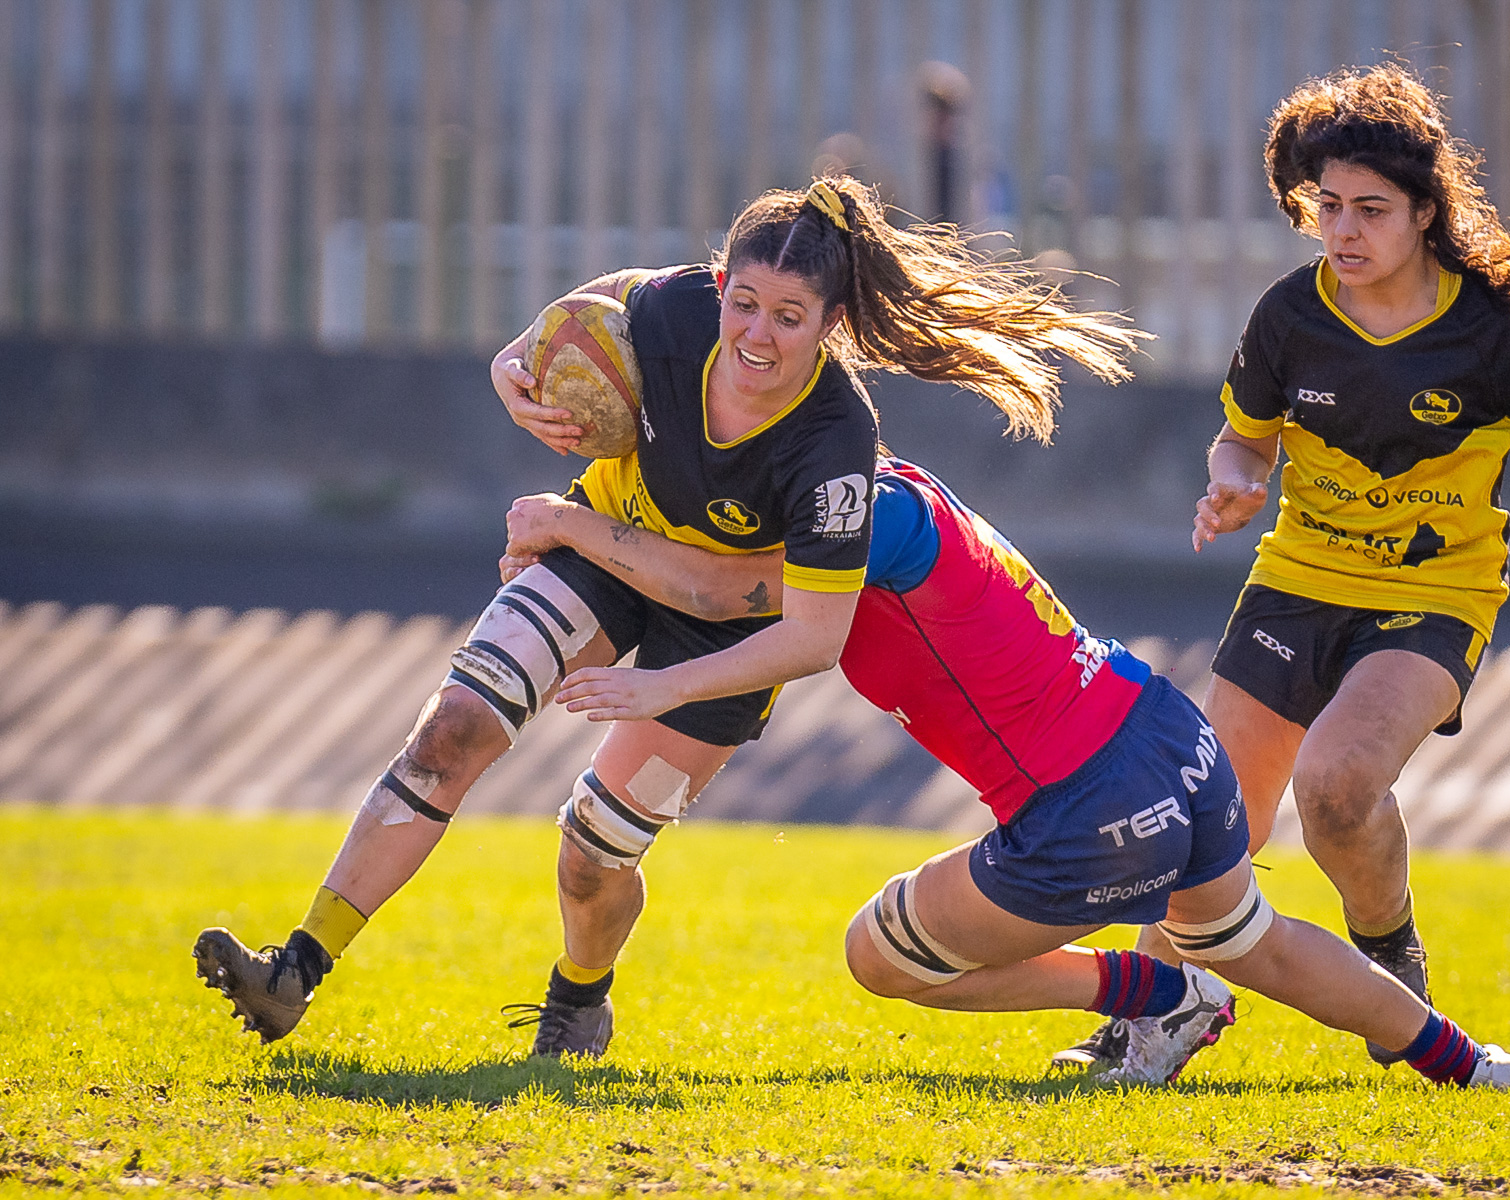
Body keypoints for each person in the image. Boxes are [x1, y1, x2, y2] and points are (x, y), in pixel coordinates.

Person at [191, 177, 1143, 1057]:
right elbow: (582, 312)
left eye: (789, 317)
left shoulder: (837, 446)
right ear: (718, 284)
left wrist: (651, 670)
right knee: (452, 731)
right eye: (744, 305)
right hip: (605, 540)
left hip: (726, 632)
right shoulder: (676, 305)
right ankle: (296, 970)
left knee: (590, 852)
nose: (757, 337)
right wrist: (511, 369)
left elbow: (798, 631)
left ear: (832, 323)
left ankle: (577, 999)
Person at [503, 456, 1510, 1089]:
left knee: (880, 956)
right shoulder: (895, 486)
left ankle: (1156, 995)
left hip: (1086, 802)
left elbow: (720, 591)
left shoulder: (864, 516)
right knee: (1250, 939)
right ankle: (1467, 1062)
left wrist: (568, 527)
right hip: (1167, 733)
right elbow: (701, 576)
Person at [1054, 64, 1510, 1073]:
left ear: (1425, 214)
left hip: (1434, 598)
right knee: (1206, 810)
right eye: (1328, 208)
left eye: (1371, 211)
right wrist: (1231, 484)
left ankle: (1389, 946)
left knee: (1339, 786)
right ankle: (1157, 1015)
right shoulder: (1289, 316)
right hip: (1296, 582)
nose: (1344, 231)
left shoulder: (1492, 324)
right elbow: (1243, 443)